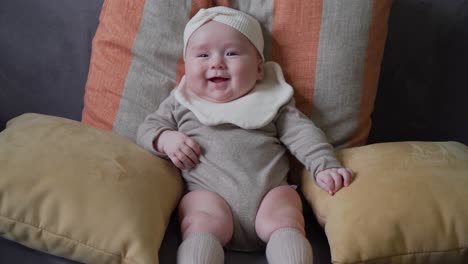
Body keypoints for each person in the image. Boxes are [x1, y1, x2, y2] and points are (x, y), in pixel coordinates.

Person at [137, 6, 353, 264]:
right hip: (209, 196)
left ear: (259, 69)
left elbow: (303, 134)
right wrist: (165, 138)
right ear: (187, 68)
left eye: (231, 53)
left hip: (269, 194)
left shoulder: (272, 102)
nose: (217, 62)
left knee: (287, 215)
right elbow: (147, 128)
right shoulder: (181, 103)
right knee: (198, 219)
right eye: (203, 54)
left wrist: (323, 166)